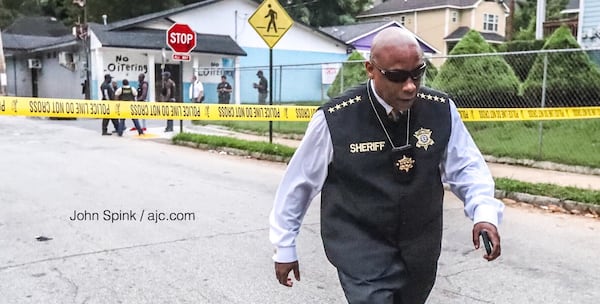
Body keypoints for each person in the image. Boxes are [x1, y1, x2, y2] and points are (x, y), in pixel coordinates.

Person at [269, 27, 504, 304]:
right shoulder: (335, 119)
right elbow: (298, 184)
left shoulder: (440, 109)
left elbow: (467, 167)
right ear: (371, 69)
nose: (410, 86)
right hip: (359, 247)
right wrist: (284, 246)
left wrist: (484, 212)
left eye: (418, 73)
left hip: (419, 248)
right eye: (397, 76)